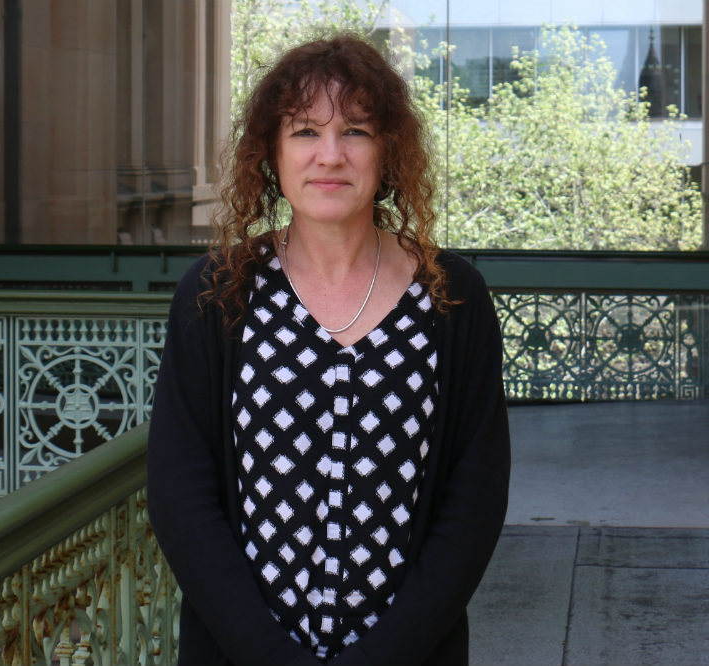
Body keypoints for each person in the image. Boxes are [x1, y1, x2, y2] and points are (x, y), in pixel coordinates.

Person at [148, 34, 509, 666]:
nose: (331, 156)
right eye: (306, 132)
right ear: (271, 154)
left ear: (388, 151)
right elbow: (181, 494)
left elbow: (473, 500)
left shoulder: (453, 299)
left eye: (358, 132)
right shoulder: (216, 295)